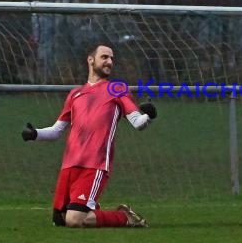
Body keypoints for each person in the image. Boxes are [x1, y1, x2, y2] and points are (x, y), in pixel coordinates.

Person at [22, 43, 157, 228]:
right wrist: (34, 134)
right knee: (59, 220)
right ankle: (91, 207)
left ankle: (125, 217)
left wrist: (149, 116)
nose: (109, 62)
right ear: (91, 60)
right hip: (69, 165)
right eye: (104, 57)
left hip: (95, 165)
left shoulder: (116, 89)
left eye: (111, 58)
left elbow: (137, 123)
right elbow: (56, 131)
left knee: (74, 220)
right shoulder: (75, 94)